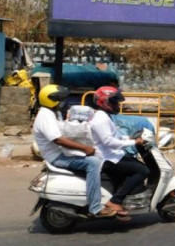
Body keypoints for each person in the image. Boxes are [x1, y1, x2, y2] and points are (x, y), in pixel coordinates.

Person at [33, 84, 116, 218]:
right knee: (93, 163)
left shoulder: (53, 113)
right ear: (52, 99)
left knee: (98, 156)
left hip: (61, 152)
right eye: (61, 99)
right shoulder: (45, 116)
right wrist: (84, 148)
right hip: (57, 157)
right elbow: (59, 140)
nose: (63, 102)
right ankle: (95, 207)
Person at [90, 86, 149, 216]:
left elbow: (114, 136)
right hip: (106, 158)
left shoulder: (105, 116)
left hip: (111, 155)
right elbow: (109, 142)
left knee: (135, 165)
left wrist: (129, 137)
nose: (117, 105)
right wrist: (133, 142)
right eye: (114, 102)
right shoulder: (101, 119)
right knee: (143, 170)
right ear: (104, 102)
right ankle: (115, 201)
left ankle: (122, 196)